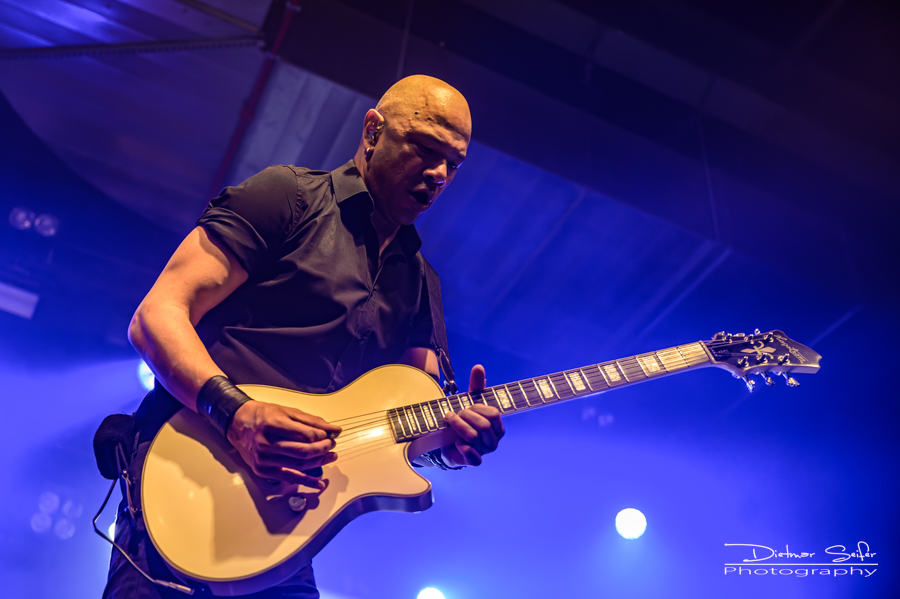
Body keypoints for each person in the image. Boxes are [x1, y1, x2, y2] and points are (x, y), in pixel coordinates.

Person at [103, 75, 505, 599]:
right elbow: (156, 315)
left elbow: (411, 429)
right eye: (426, 149)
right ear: (373, 131)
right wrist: (237, 414)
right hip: (184, 485)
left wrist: (453, 444)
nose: (439, 174)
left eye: (453, 163)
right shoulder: (287, 197)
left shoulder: (421, 284)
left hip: (285, 535)